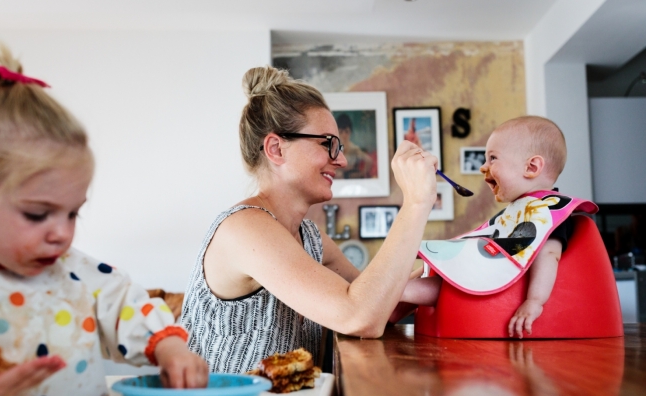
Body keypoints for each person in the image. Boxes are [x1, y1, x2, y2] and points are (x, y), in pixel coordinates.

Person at [0, 45, 207, 396]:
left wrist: (168, 347)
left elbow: (124, 305)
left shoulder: (72, 272)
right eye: (37, 214)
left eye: (73, 213)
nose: (62, 234)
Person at [179, 66, 438, 373]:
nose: (341, 160)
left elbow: (384, 303)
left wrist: (459, 274)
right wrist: (417, 202)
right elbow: (360, 315)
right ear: (276, 148)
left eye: (339, 147)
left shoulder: (312, 239)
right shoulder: (245, 229)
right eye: (327, 143)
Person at [393, 116, 593, 338]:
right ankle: (394, 303)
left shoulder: (547, 213)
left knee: (450, 283)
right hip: (491, 274)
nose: (483, 167)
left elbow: (549, 256)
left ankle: (395, 291)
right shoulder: (523, 208)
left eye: (492, 158)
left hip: (504, 289)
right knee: (435, 266)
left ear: (531, 167)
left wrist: (535, 301)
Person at [334, 113, 373, 179]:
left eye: (346, 132)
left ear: (350, 132)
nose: (344, 135)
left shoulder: (354, 148)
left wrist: (361, 173)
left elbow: (369, 160)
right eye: (341, 132)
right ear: (337, 133)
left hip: (350, 177)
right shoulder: (334, 148)